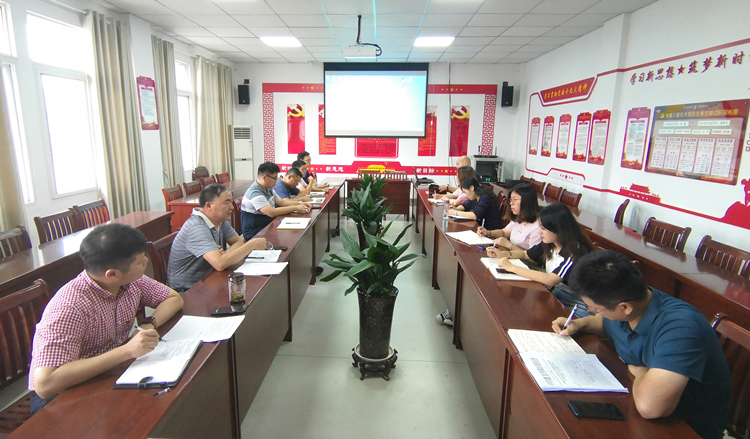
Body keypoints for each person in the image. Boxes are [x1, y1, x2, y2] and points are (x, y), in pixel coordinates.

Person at [552, 250, 730, 439]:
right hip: (637, 405)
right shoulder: (634, 303)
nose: (593, 312)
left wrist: (641, 372)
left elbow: (650, 407)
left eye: (595, 309)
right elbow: (604, 323)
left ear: (625, 307)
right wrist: (579, 324)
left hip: (683, 427)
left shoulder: (681, 327)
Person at [28, 223, 184, 412]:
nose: (146, 261)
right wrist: (126, 351)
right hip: (64, 395)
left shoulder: (131, 281)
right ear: (112, 274)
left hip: (108, 373)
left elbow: (173, 298)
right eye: (140, 261)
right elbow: (45, 384)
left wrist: (149, 324)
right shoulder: (69, 306)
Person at [489, 203, 594, 317]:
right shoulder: (551, 243)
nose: (540, 232)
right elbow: (525, 254)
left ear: (558, 228)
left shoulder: (575, 251)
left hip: (579, 306)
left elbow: (550, 279)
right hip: (557, 294)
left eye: (543, 228)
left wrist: (511, 267)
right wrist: (503, 254)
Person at [169, 183, 269, 291]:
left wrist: (225, 255)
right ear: (209, 206)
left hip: (209, 279)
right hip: (187, 290)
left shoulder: (219, 220)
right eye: (227, 203)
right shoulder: (196, 227)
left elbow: (238, 242)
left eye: (231, 201)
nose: (232, 207)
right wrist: (251, 245)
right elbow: (220, 264)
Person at [241, 162, 312, 240]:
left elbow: (282, 202)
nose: (276, 181)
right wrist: (296, 208)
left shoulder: (269, 188)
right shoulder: (255, 192)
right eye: (274, 178)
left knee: (294, 233)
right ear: (265, 177)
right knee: (290, 237)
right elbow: (271, 212)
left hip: (268, 225)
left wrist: (300, 203)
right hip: (256, 232)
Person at [476, 183, 541, 252]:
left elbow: (531, 257)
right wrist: (488, 232)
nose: (511, 203)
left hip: (519, 258)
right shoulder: (519, 217)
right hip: (510, 255)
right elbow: (504, 232)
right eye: (510, 200)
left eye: (514, 199)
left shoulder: (538, 227)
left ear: (527, 201)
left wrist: (509, 245)